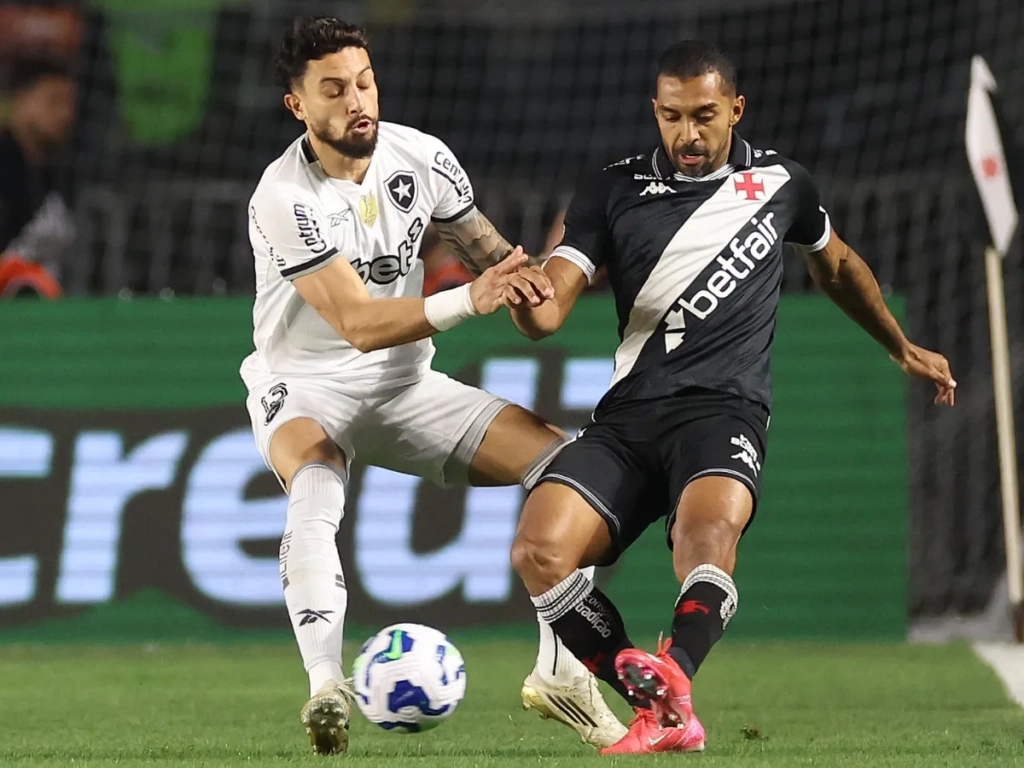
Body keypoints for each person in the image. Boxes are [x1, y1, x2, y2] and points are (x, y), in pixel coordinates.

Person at [505, 40, 957, 755]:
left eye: (706, 116)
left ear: (735, 110)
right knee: (538, 550)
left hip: (723, 412)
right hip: (629, 418)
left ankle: (676, 675)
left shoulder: (783, 183)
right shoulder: (611, 190)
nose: (689, 134)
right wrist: (527, 300)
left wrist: (899, 345)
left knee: (705, 538)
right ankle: (649, 696)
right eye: (673, 117)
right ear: (654, 112)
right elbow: (549, 310)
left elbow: (836, 266)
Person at [241, 16, 624, 754]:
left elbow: (513, 283)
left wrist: (576, 248)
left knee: (580, 474)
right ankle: (326, 687)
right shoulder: (283, 197)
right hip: (307, 384)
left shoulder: (424, 158)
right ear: (298, 107)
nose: (358, 100)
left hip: (404, 386)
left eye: (365, 80)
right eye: (333, 90)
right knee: (315, 485)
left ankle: (561, 671)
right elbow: (356, 322)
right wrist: (466, 301)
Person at [0, 55, 77, 298]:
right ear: (21, 102)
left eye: (69, 104)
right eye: (53, 102)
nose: (65, 114)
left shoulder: (59, 172)